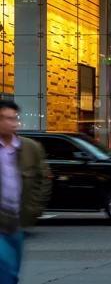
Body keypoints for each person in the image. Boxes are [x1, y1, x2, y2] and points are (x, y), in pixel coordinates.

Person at [0, 100, 52, 284]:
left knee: (12, 274)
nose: (12, 123)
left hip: (17, 222)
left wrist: (33, 209)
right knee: (5, 273)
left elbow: (44, 178)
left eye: (14, 118)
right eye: (6, 119)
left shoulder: (30, 148)